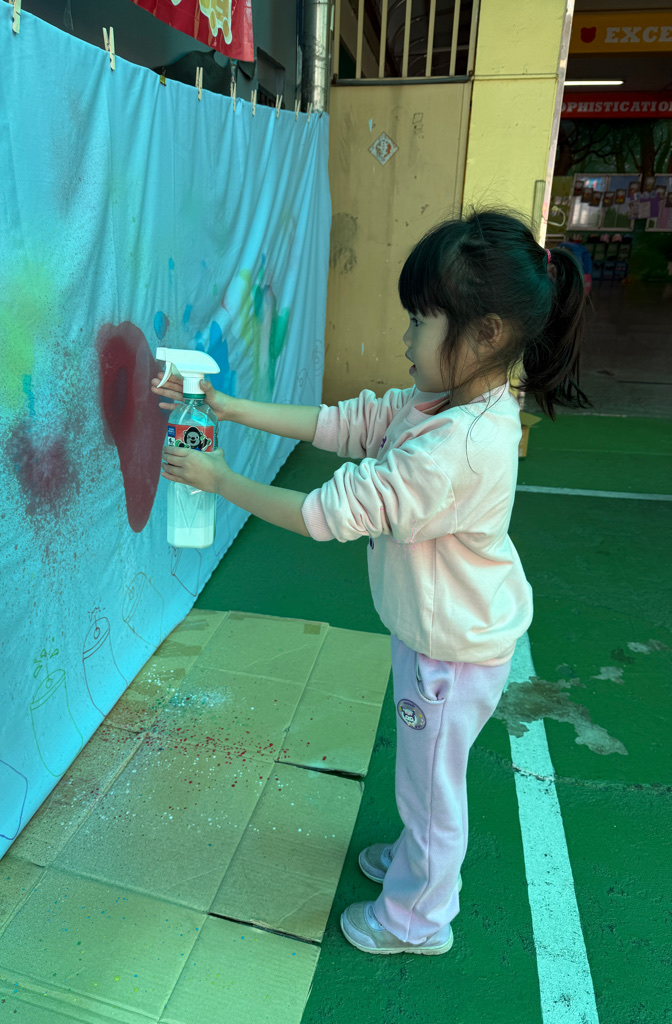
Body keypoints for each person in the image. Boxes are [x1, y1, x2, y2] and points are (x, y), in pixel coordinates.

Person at [151, 209, 590, 956]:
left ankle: (418, 918)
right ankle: (418, 862)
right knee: (424, 775)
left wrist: (220, 480)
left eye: (420, 321)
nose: (406, 339)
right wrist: (228, 408)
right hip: (439, 635)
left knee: (432, 791)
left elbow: (326, 513)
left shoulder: (457, 450)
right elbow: (349, 424)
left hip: (452, 652)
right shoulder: (448, 403)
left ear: (484, 334)